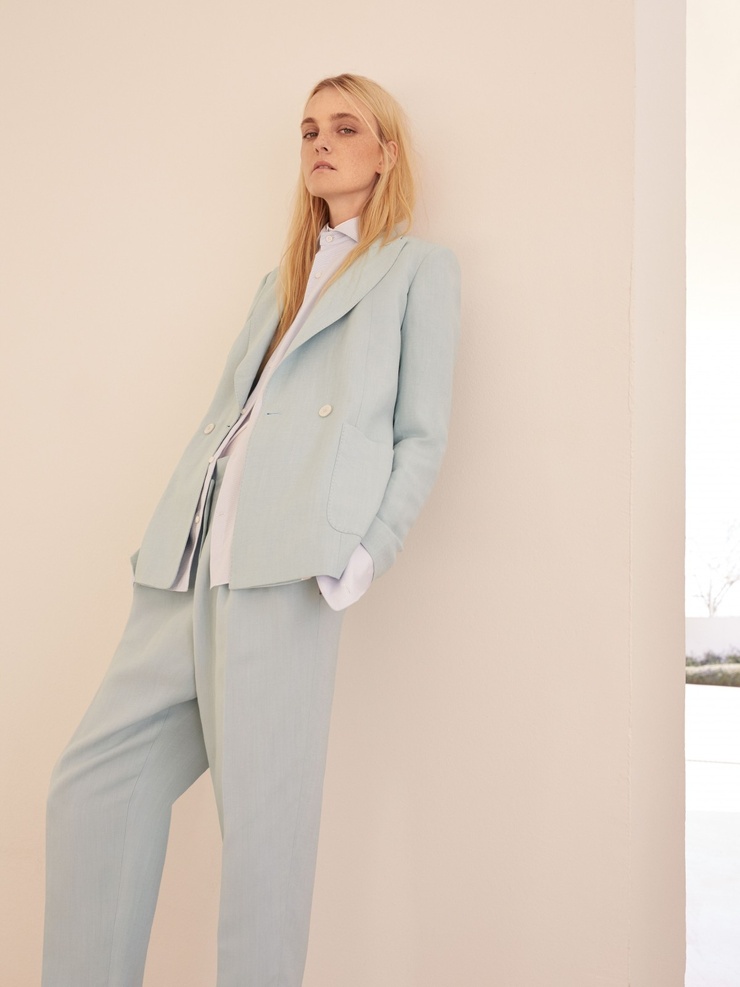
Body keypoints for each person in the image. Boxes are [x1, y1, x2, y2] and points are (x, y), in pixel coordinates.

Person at [41, 73, 460, 987]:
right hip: (187, 562)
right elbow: (231, 412)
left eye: (344, 127)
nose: (321, 143)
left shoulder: (416, 271)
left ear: (386, 151)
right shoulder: (279, 281)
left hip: (285, 567)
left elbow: (421, 435)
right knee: (90, 786)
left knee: (264, 838)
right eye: (309, 130)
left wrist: (365, 552)